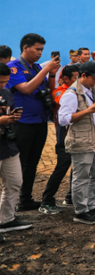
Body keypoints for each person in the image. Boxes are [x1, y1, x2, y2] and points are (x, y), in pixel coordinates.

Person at [7, 33, 61, 211]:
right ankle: (12, 203)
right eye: (37, 49)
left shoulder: (37, 68)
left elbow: (48, 91)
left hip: (40, 121)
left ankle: (26, 198)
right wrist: (46, 70)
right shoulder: (13, 67)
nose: (40, 53)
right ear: (25, 48)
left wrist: (52, 75)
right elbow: (26, 89)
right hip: (22, 122)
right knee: (20, 163)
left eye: (42, 50)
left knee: (33, 162)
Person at [59, 61, 95, 225]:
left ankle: (90, 204)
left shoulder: (92, 91)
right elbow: (63, 119)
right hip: (81, 141)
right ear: (83, 76)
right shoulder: (71, 94)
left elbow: (93, 113)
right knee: (81, 177)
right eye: (93, 78)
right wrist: (88, 110)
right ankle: (81, 211)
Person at [39, 64, 79, 214]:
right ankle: (46, 200)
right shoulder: (61, 93)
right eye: (75, 78)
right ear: (65, 79)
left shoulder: (76, 91)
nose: (78, 81)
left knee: (76, 168)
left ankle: (70, 197)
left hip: (75, 137)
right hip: (64, 137)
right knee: (61, 169)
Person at [0, 63, 33, 233]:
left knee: (14, 182)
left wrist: (13, 117)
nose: (3, 85)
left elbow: (8, 111)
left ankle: (6, 219)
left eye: (6, 82)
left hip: (7, 144)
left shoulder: (6, 92)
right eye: (0, 82)